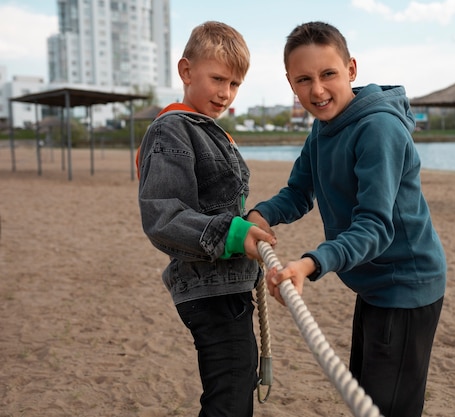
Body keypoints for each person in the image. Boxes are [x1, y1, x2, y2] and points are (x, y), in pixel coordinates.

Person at [247, 21, 446, 417]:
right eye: (304, 79)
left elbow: (374, 226)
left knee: (385, 406)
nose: (317, 90)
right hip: (373, 281)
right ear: (290, 83)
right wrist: (260, 213)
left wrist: (309, 264)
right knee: (366, 391)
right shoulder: (322, 129)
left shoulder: (379, 129)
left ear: (351, 69)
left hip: (407, 283)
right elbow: (299, 192)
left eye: (328, 74)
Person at [136, 21, 276, 417]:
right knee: (229, 400)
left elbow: (222, 205)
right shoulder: (172, 130)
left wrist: (247, 225)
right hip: (208, 290)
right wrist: (234, 234)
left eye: (234, 84)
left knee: (236, 385)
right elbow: (163, 216)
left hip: (228, 286)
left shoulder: (207, 129)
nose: (225, 93)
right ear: (186, 71)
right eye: (217, 79)